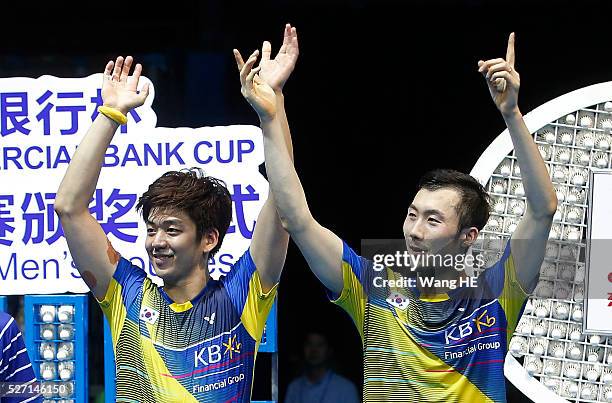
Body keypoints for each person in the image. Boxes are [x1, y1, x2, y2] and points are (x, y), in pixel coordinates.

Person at [236, 31, 556, 402]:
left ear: (468, 235)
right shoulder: (374, 291)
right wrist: (271, 112)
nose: (414, 232)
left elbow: (542, 208)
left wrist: (511, 113)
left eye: (432, 220)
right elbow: (297, 219)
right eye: (412, 215)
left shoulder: (496, 296)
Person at [54, 25, 298, 402]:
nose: (157, 242)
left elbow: (286, 205)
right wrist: (111, 114)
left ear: (209, 239)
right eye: (151, 230)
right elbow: (69, 208)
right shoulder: (127, 297)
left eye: (171, 230)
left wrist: (272, 111)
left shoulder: (241, 296)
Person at [285, 330, 359, 403]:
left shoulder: (346, 388)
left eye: (320, 345)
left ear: (329, 350)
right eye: (309, 344)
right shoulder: (294, 387)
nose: (313, 350)